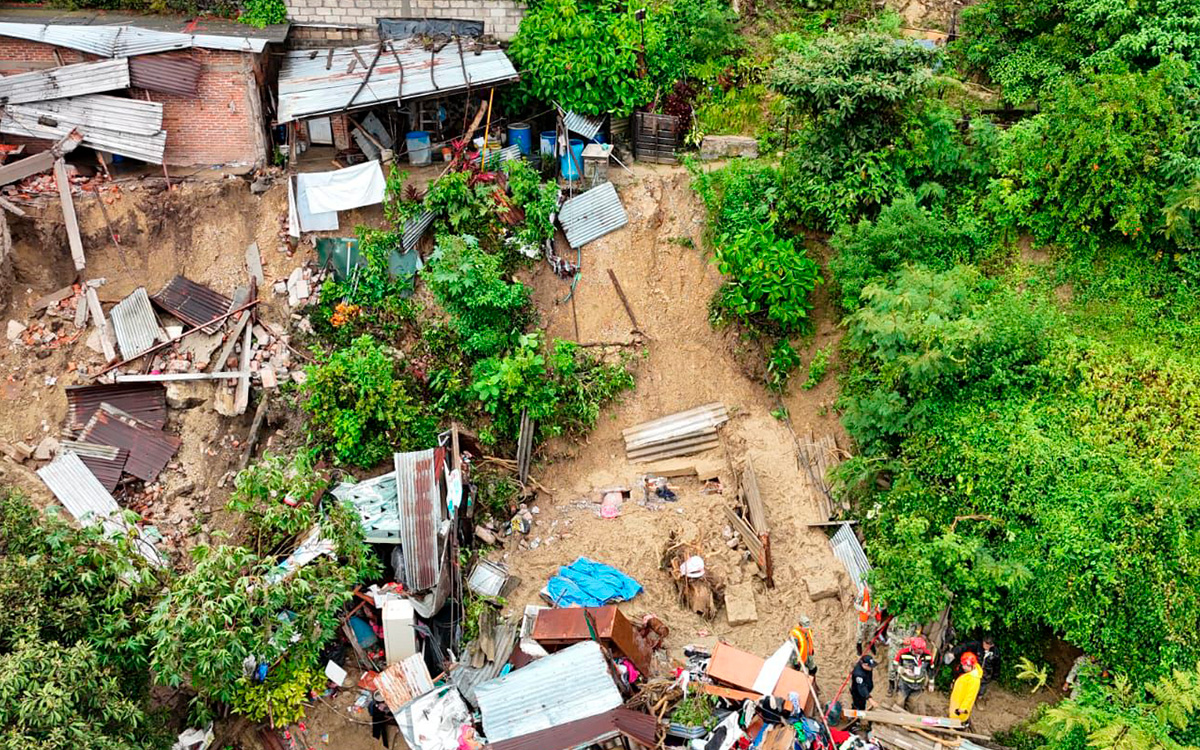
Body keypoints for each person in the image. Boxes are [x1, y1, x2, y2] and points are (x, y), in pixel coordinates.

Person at [893, 636, 934, 709]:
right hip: (904, 683)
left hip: (918, 684)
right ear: (912, 648)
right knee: (900, 702)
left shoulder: (928, 655)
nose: (918, 654)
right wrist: (903, 670)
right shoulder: (903, 653)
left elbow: (931, 669)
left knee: (913, 703)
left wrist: (931, 683)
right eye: (916, 652)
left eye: (921, 652)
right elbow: (895, 664)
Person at [884, 619, 918, 695]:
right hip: (895, 648)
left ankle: (900, 686)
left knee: (905, 668)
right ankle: (891, 685)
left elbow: (916, 632)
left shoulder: (914, 621)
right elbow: (889, 632)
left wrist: (912, 639)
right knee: (892, 668)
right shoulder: (896, 619)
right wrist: (901, 640)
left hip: (907, 649)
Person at [949, 652, 983, 723]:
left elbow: (970, 696)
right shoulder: (968, 673)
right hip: (957, 701)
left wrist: (963, 708)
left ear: (971, 666)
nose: (963, 667)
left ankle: (957, 727)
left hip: (960, 709)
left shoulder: (974, 679)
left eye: (965, 665)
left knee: (957, 720)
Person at [855, 586, 882, 655]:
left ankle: (870, 643)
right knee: (860, 633)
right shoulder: (863, 593)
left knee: (872, 632)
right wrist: (865, 611)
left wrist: (876, 611)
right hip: (864, 617)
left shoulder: (879, 593)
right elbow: (856, 605)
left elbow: (882, 604)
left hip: (873, 618)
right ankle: (859, 644)